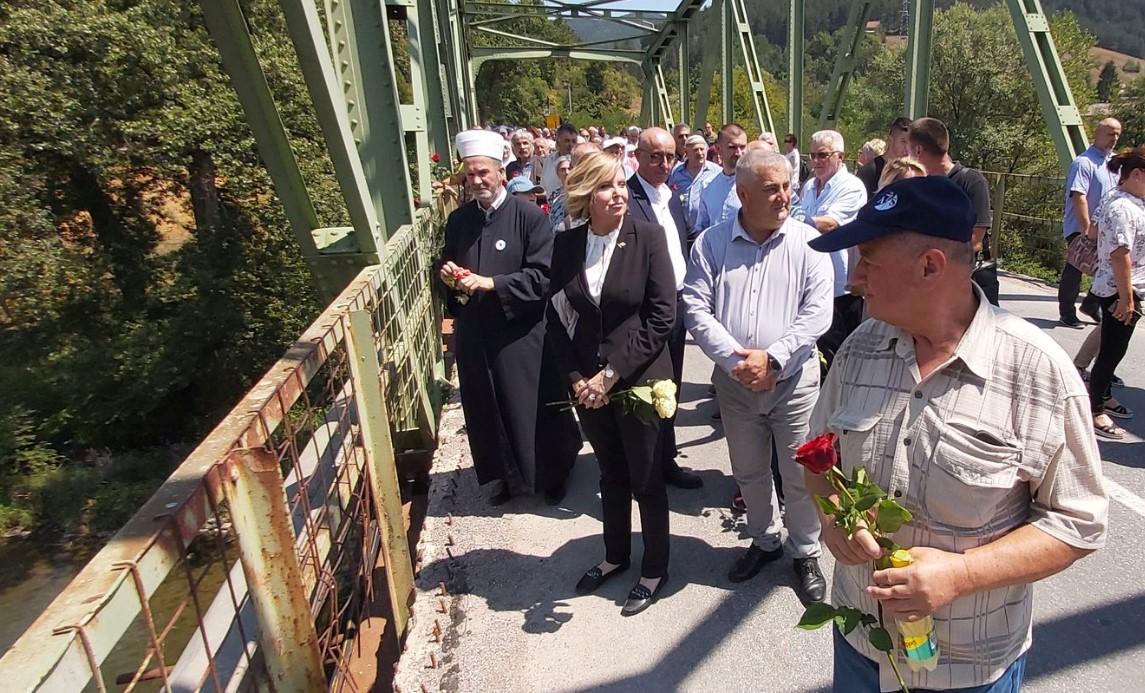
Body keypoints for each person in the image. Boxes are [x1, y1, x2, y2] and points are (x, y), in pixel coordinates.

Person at [807, 175, 1108, 692]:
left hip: (969, 669)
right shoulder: (859, 349)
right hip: (862, 648)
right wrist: (833, 521)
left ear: (930, 266)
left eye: (869, 261)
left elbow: (1079, 524)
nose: (854, 278)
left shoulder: (1037, 372)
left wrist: (961, 576)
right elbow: (817, 460)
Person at [683, 149, 834, 601]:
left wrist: (773, 359)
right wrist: (737, 361)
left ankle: (805, 551)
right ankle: (764, 539)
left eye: (788, 186)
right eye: (772, 189)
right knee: (749, 471)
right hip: (735, 385)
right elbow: (695, 306)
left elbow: (816, 314)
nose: (784, 196)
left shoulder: (810, 244)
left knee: (800, 472)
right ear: (743, 194)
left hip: (793, 382)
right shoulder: (710, 244)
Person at [547, 152, 676, 616]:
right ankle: (615, 556)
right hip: (588, 385)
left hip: (638, 377)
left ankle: (655, 567)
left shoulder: (649, 237)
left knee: (645, 477)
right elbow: (557, 318)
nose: (618, 193)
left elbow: (662, 317)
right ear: (586, 194)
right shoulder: (567, 245)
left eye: (621, 183)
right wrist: (577, 377)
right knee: (610, 474)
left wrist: (609, 374)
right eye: (607, 186)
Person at [439, 130, 580, 506]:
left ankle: (556, 472)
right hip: (476, 332)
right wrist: (448, 275)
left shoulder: (530, 217)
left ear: (501, 172)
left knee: (535, 406)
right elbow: (447, 262)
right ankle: (502, 475)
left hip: (521, 331)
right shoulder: (458, 221)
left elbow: (542, 275)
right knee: (486, 405)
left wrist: (491, 283)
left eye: (483, 172)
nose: (477, 181)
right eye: (470, 175)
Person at [627, 127, 703, 490]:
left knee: (670, 387)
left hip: (674, 303)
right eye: (655, 155)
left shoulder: (670, 196)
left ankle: (666, 459)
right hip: (643, 309)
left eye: (670, 156)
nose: (664, 163)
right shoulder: (626, 197)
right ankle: (644, 466)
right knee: (647, 388)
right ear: (638, 156)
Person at [907, 117, 998, 306]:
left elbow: (976, 239)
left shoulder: (971, 181)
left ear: (917, 150)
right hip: (926, 282)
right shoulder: (919, 185)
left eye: (907, 148)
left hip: (962, 285)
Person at [1088, 146, 1145, 439]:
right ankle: (1094, 409)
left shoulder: (1127, 199)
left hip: (1122, 288)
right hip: (1121, 289)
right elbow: (1120, 254)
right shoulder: (1124, 207)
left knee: (1112, 348)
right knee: (1111, 352)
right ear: (1136, 174)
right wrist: (1127, 297)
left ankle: (1103, 395)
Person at [1059, 117, 1122, 328]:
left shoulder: (1114, 163)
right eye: (1110, 133)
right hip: (1081, 227)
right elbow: (1079, 196)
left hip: (1105, 229)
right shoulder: (1084, 162)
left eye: (1117, 134)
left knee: (1108, 267)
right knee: (1075, 268)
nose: (1114, 138)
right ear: (1098, 134)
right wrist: (1086, 229)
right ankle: (1067, 312)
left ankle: (1091, 304)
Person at [693, 123, 749, 233]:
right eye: (732, 147)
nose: (738, 153)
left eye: (742, 147)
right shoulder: (707, 185)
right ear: (718, 148)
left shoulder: (756, 184)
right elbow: (702, 227)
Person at [670, 134, 722, 232]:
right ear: (686, 152)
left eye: (702, 149)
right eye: (695, 150)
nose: (700, 153)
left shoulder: (716, 172)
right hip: (682, 229)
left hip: (706, 229)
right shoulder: (676, 172)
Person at [856, 117, 912, 197]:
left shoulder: (912, 172)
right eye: (903, 141)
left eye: (910, 142)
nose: (907, 147)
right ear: (890, 140)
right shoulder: (869, 172)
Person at [541, 123, 578, 194]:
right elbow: (544, 186)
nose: (571, 145)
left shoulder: (579, 161)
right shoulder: (549, 160)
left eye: (573, 141)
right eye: (567, 141)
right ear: (558, 141)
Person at [547, 155, 572, 228]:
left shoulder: (579, 192)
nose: (567, 172)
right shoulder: (554, 194)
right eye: (563, 169)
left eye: (569, 168)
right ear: (557, 173)